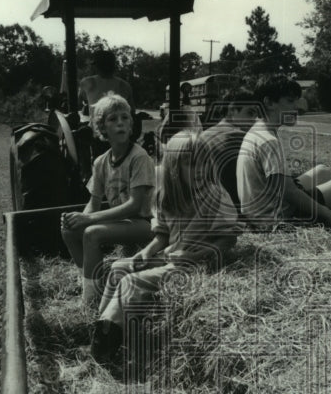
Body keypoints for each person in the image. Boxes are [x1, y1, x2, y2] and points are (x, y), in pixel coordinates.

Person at [89, 131, 240, 366]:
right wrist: (147, 252)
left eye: (203, 161)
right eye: (191, 163)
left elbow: (228, 240)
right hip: (171, 259)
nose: (199, 168)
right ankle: (101, 331)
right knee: (119, 267)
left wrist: (195, 254)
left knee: (132, 282)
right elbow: (163, 235)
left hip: (200, 264)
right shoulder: (167, 195)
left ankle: (104, 351)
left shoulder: (215, 195)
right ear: (173, 166)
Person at [60, 92, 155, 308]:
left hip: (144, 223)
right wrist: (79, 218)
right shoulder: (101, 162)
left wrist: (89, 220)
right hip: (122, 223)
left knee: (92, 233)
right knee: (68, 228)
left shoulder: (139, 157)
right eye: (113, 119)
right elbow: (94, 202)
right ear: (102, 128)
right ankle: (92, 279)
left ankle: (91, 302)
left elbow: (134, 205)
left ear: (131, 124)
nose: (120, 123)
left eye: (125, 118)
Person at [236, 74, 331, 234]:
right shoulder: (268, 141)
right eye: (290, 101)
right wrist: (330, 215)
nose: (297, 107)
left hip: (258, 212)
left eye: (296, 100)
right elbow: (290, 193)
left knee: (322, 170)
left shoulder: (258, 130)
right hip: (277, 220)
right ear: (269, 102)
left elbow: (281, 186)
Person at [198, 85, 258, 211]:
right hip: (235, 210)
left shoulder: (203, 135)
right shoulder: (240, 138)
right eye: (250, 113)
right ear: (232, 111)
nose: (254, 120)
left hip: (206, 209)